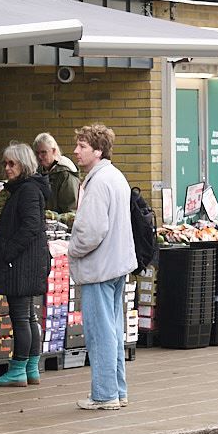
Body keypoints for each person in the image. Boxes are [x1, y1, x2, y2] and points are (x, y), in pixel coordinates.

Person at [67, 124, 135, 411]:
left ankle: (104, 394)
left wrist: (72, 250)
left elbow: (91, 231)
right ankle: (117, 390)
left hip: (98, 268)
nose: (76, 151)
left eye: (82, 146)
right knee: (113, 330)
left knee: (100, 333)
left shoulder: (97, 183)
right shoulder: (116, 177)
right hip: (117, 265)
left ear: (98, 150)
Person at [0, 142, 52, 387]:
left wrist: (7, 253)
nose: (7, 168)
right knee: (29, 317)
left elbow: (31, 226)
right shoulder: (28, 189)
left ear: (23, 165)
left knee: (21, 318)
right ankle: (31, 367)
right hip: (28, 263)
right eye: (5, 163)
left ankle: (18, 370)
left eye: (11, 163)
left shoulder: (27, 191)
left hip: (21, 265)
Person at [34, 132, 80, 213]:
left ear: (54, 151)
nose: (39, 157)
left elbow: (71, 211)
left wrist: (51, 216)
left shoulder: (65, 174)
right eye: (37, 153)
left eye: (43, 152)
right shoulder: (38, 172)